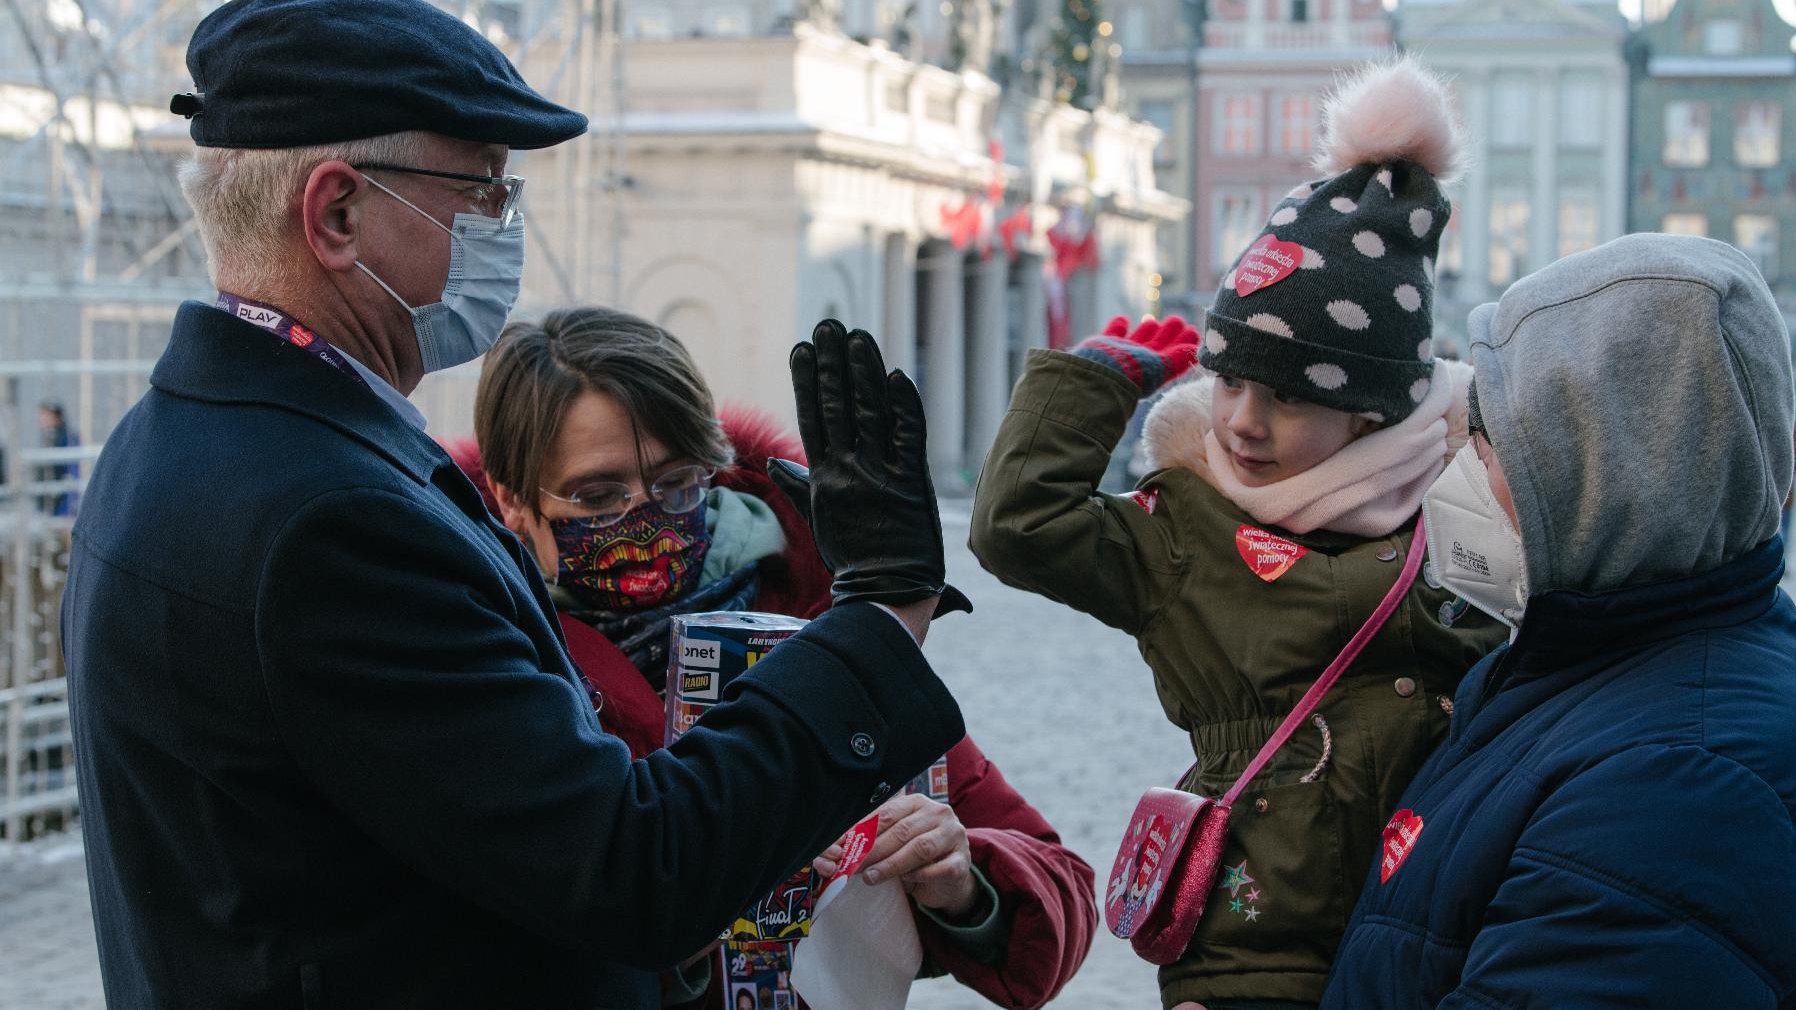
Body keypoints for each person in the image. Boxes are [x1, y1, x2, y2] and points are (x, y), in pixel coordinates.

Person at [60, 2, 968, 1007]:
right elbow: (633, 867)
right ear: (336, 214)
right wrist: (879, 614)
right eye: (482, 186)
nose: (503, 220)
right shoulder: (328, 519)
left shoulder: (180, 436)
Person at [968, 60, 1509, 1010]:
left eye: (1292, 397)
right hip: (1249, 953)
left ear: (1375, 414)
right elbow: (1019, 527)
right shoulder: (1187, 527)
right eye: (1230, 381)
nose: (1245, 422)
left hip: (1437, 936)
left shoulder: (1461, 507)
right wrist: (1087, 388)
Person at [451, 306, 1096, 1009]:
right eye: (599, 496)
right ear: (512, 500)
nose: (647, 518)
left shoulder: (813, 614)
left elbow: (1058, 896)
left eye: (677, 482)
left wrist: (963, 881)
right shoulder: (478, 653)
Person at [1318, 234, 1796, 1007]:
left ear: (1610, 475)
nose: (1459, 471)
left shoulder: (1673, 785)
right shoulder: (1591, 670)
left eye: (1490, 441)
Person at [36, 399, 79, 516]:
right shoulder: (48, 439)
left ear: (57, 417)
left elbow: (74, 472)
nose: (41, 420)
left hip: (62, 504)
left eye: (46, 416)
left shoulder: (68, 439)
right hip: (48, 502)